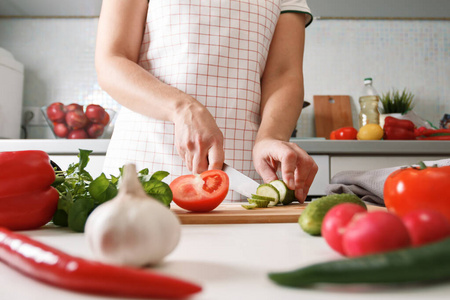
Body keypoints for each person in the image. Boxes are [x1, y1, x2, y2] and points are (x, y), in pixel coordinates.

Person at [96, 0, 318, 202]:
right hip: (144, 164)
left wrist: (271, 136)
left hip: (242, 178)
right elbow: (112, 60)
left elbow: (283, 74)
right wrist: (183, 108)